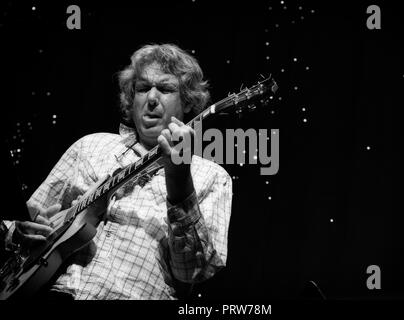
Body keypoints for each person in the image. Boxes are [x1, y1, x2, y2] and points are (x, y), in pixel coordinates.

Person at [1, 44, 233, 300]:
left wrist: (179, 179)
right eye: (143, 88)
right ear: (131, 98)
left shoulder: (212, 176)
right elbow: (23, 220)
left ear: (188, 102)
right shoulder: (89, 146)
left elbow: (193, 271)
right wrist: (19, 233)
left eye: (166, 89)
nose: (152, 98)